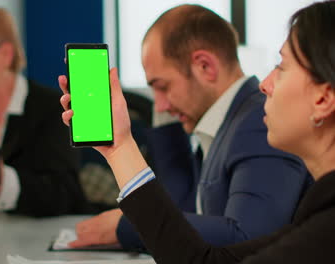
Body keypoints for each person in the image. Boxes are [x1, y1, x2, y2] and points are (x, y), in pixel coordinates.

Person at [61, 1, 335, 263]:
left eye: (282, 67)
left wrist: (127, 224)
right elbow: (199, 252)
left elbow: (242, 236)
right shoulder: (317, 211)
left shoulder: (253, 122)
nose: (264, 84)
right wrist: (121, 146)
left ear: (323, 99)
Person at [0, 8, 91, 216]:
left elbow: (65, 196)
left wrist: (2, 181)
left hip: (42, 241)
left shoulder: (52, 108)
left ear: (5, 55)